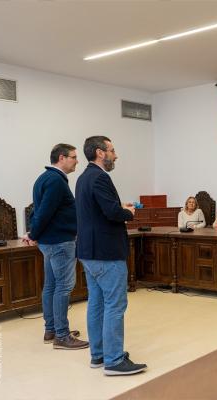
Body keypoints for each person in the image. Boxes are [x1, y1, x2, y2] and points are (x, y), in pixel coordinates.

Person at [75, 136, 147, 376]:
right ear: (100, 153)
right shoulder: (100, 177)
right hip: (106, 253)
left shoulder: (83, 177)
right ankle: (114, 361)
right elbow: (111, 213)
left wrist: (119, 208)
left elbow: (98, 211)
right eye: (112, 151)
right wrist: (127, 211)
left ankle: (99, 354)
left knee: (96, 303)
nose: (116, 155)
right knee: (115, 305)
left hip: (89, 251)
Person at [22, 143, 89, 349]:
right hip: (60, 242)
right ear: (62, 158)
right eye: (74, 157)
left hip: (50, 242)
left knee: (51, 285)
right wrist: (33, 233)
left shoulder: (44, 178)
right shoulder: (56, 181)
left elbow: (38, 212)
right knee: (63, 287)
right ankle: (62, 335)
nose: (77, 161)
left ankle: (51, 329)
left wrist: (34, 234)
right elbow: (44, 213)